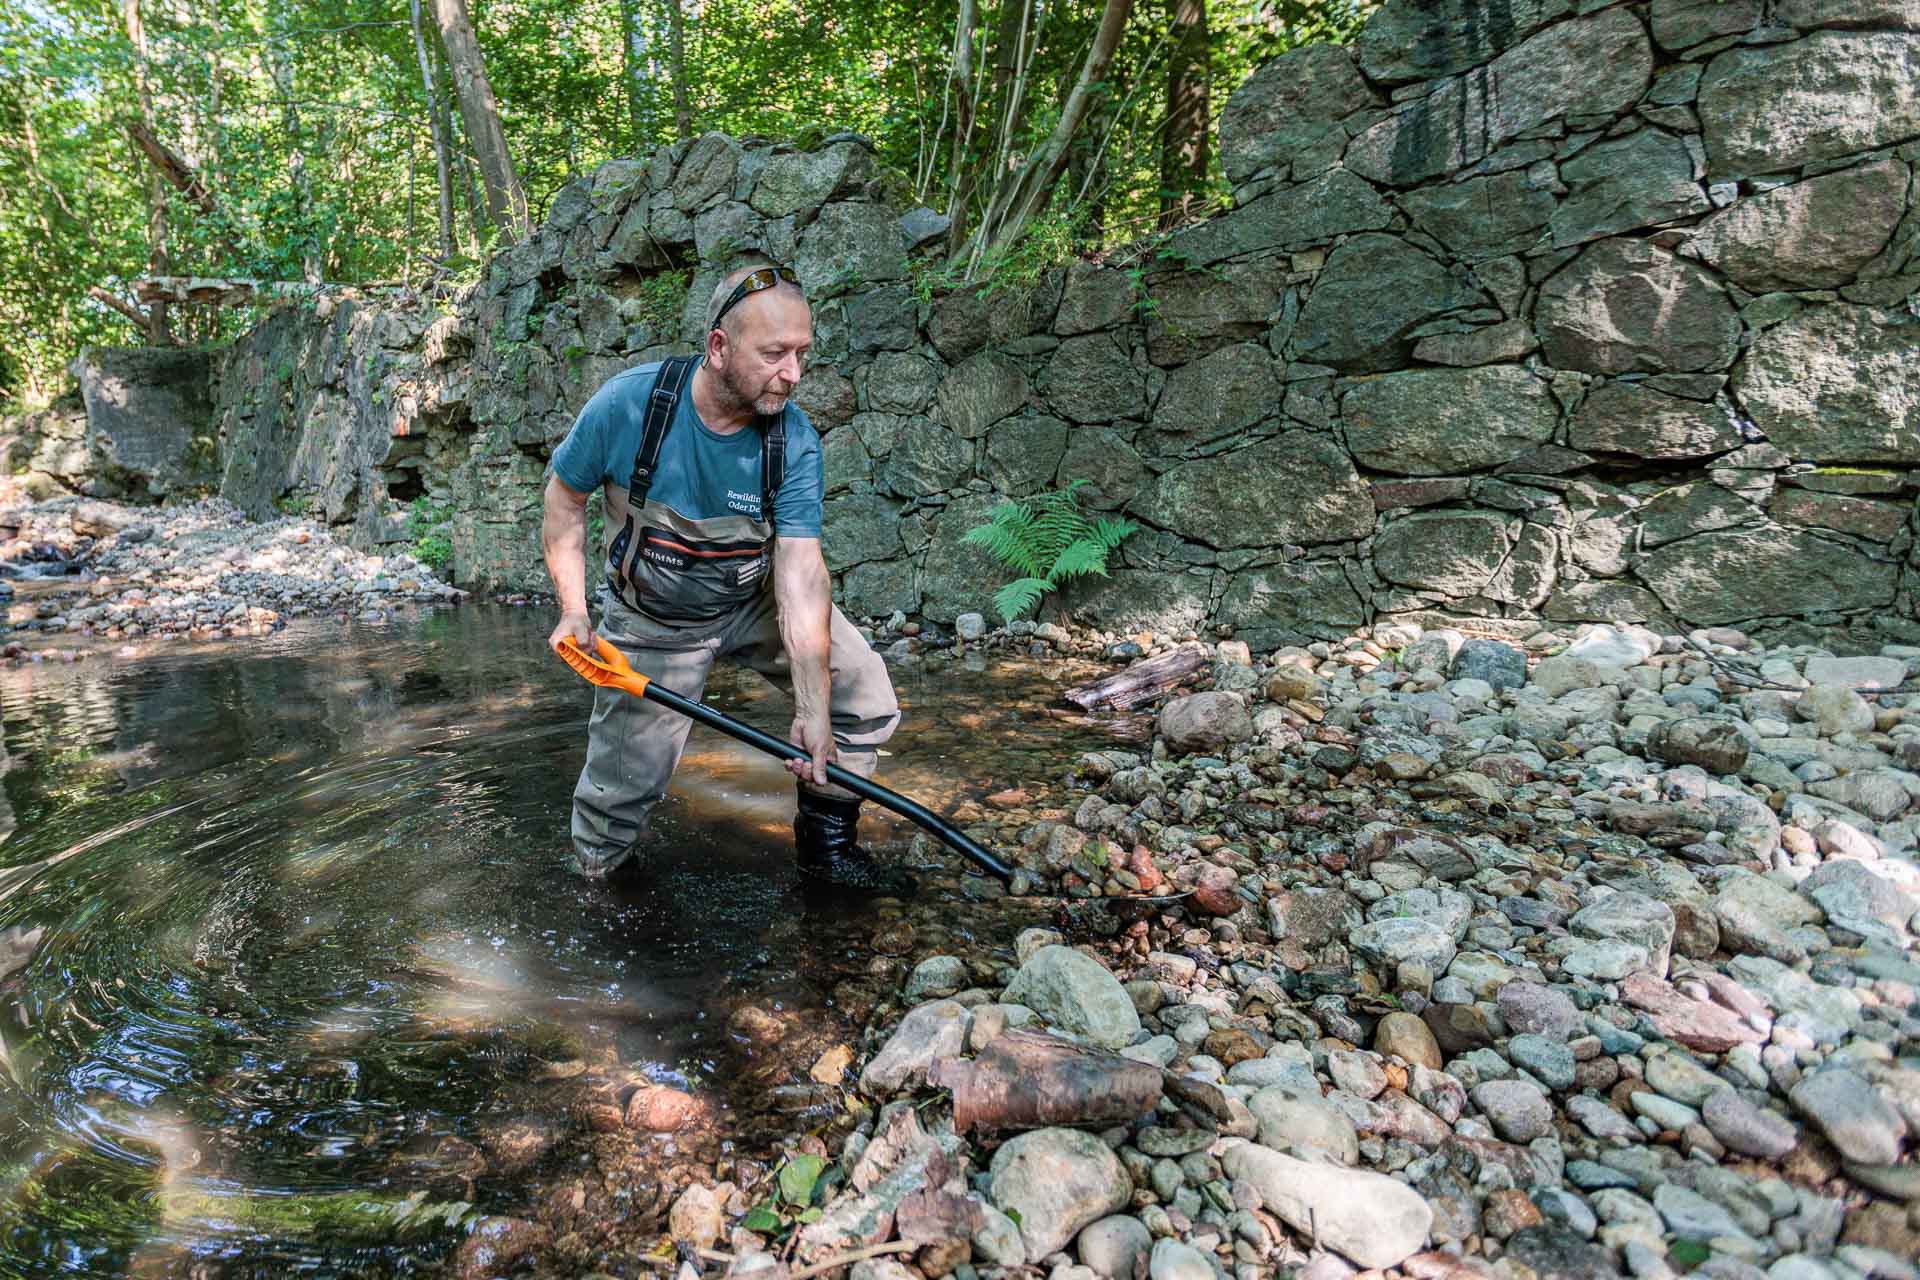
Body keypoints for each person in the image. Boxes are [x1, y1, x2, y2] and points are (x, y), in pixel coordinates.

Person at [540, 262, 913, 895]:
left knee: (861, 697)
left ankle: (825, 852)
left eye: (801, 353)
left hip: (752, 601)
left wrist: (811, 709)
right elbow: (563, 500)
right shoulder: (628, 406)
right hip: (652, 620)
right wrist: (574, 609)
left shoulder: (792, 440)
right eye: (775, 354)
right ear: (719, 348)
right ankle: (600, 892)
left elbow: (799, 575)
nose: (793, 374)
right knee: (620, 792)